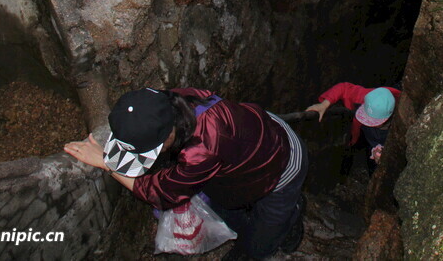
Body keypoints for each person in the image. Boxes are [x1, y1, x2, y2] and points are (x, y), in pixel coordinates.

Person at [64, 87, 306, 259]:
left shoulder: (202, 149)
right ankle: (249, 232)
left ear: (169, 135)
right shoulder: (167, 102)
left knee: (259, 248)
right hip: (247, 145)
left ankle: (292, 214)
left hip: (281, 165)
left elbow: (160, 192)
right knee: (227, 207)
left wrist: (107, 164)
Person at [305, 82, 400, 172]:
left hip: (382, 139)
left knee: (375, 166)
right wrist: (324, 105)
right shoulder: (370, 98)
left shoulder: (401, 122)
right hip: (363, 135)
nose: (366, 122)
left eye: (372, 121)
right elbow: (344, 88)